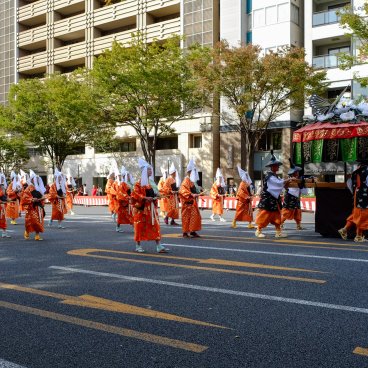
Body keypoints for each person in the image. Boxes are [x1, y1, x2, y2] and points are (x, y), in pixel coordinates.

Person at [131, 158, 168, 253]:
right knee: (139, 226)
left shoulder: (150, 183)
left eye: (151, 169)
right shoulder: (138, 183)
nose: (151, 171)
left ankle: (158, 245)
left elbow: (154, 193)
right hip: (142, 210)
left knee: (155, 225)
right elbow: (134, 195)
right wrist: (145, 198)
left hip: (151, 209)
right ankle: (138, 245)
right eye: (149, 169)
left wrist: (158, 196)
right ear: (144, 171)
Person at [255, 150, 295, 238]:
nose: (277, 167)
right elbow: (277, 183)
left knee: (277, 215)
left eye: (277, 166)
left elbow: (280, 182)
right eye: (276, 166)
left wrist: (286, 181)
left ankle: (278, 232)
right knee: (265, 214)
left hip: (274, 199)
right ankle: (258, 230)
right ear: (272, 167)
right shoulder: (269, 176)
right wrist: (287, 180)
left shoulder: (274, 175)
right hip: (267, 200)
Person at [338, 159, 368, 242]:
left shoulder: (356, 171)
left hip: (357, 195)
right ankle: (358, 236)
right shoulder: (367, 171)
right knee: (363, 215)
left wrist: (354, 193)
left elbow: (349, 183)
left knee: (357, 214)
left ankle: (346, 230)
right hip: (365, 195)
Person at [281, 158, 308, 230]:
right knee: (287, 211)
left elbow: (303, 191)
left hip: (296, 197)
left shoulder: (300, 180)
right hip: (289, 196)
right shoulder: (288, 180)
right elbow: (284, 188)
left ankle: (298, 225)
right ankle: (280, 223)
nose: (297, 173)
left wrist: (301, 184)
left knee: (297, 211)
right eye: (296, 172)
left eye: (298, 172)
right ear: (293, 173)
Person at [179, 158, 202, 238]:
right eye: (193, 171)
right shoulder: (186, 181)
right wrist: (192, 194)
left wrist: (198, 191)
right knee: (186, 218)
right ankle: (185, 232)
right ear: (189, 172)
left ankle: (192, 230)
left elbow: (194, 189)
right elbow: (183, 191)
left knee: (195, 217)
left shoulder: (192, 181)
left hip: (193, 203)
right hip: (187, 203)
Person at [23, 171, 46, 240]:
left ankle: (37, 235)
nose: (36, 180)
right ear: (32, 179)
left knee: (38, 221)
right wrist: (32, 199)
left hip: (39, 207)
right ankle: (27, 231)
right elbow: (25, 197)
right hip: (31, 207)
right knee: (30, 221)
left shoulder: (39, 187)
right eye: (35, 178)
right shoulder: (29, 187)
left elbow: (42, 196)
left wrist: (42, 198)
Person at [115, 166, 133, 233]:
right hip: (122, 203)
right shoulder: (121, 184)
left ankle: (135, 227)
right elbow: (120, 194)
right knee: (121, 216)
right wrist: (127, 197)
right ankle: (118, 226)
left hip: (128, 202)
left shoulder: (129, 183)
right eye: (127, 175)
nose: (128, 176)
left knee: (130, 215)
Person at [0, 173, 10, 238]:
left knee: (3, 219)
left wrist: (7, 200)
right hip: (1, 205)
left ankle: (4, 232)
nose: (3, 179)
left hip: (2, 206)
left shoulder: (3, 187)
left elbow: (4, 196)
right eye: (2, 178)